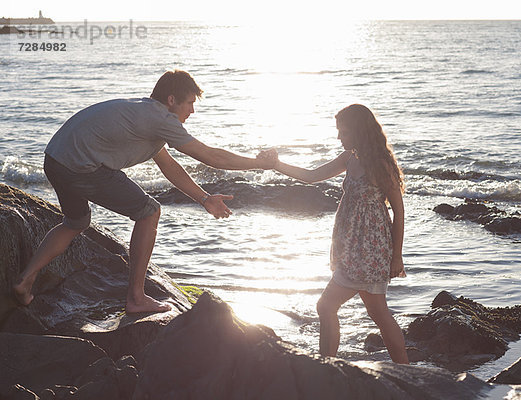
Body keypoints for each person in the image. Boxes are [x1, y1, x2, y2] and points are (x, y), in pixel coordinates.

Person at [13, 70, 275, 314]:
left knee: (76, 221)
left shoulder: (146, 115)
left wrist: (204, 199)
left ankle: (25, 281)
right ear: (171, 100)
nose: (192, 111)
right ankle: (136, 298)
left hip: (55, 159)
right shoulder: (160, 118)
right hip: (78, 165)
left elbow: (169, 167)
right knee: (149, 212)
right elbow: (211, 156)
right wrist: (259, 163)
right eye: (190, 103)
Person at [259, 104, 409, 363]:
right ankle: (404, 371)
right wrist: (276, 165)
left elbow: (399, 211)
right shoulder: (350, 157)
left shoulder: (380, 165)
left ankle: (327, 366)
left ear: (360, 132)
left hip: (370, 251)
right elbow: (312, 176)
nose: (339, 137)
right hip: (352, 248)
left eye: (345, 132)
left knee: (327, 306)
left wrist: (397, 257)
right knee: (378, 313)